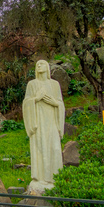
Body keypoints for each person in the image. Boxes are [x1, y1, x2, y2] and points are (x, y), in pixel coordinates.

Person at [22, 60, 65, 192]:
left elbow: (61, 103)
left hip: (51, 121)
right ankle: (40, 178)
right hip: (38, 122)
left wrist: (55, 103)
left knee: (54, 147)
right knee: (40, 147)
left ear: (47, 67)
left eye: (42, 64)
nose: (39, 65)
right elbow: (26, 103)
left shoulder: (54, 84)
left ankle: (54, 177)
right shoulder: (32, 84)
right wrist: (36, 98)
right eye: (37, 65)